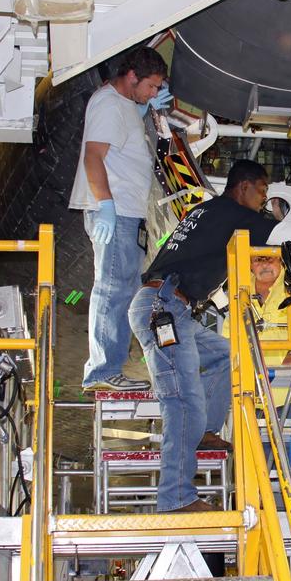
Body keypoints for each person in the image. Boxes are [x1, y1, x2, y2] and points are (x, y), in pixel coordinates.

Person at [127, 159, 291, 513]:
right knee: (182, 403)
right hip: (163, 307)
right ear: (244, 187)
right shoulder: (234, 214)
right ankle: (176, 498)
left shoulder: (209, 211)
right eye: (261, 191)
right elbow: (285, 236)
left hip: (170, 305)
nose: (262, 199)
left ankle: (204, 432)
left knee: (229, 355)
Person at [69, 46, 170, 391]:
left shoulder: (126, 105)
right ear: (132, 77)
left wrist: (144, 108)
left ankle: (111, 364)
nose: (155, 93)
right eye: (152, 87)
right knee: (112, 289)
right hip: (115, 212)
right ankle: (101, 370)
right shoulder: (109, 105)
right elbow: (94, 157)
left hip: (129, 213)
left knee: (124, 289)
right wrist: (106, 205)